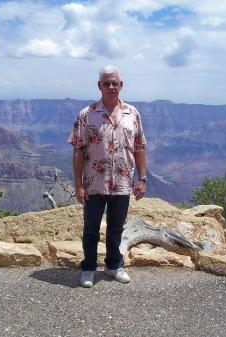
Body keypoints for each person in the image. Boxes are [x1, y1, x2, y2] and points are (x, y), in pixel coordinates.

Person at [68, 65, 147, 288]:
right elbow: (78, 150)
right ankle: (89, 268)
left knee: (116, 227)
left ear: (121, 85)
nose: (111, 87)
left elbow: (139, 147)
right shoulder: (87, 114)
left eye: (115, 83)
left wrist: (142, 179)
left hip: (122, 182)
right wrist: (78, 184)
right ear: (99, 86)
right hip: (93, 182)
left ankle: (113, 266)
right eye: (107, 83)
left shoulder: (132, 113)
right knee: (91, 227)